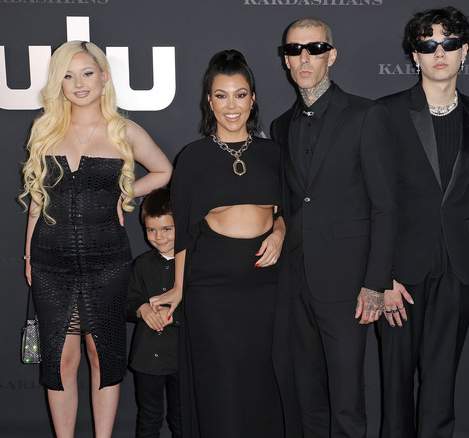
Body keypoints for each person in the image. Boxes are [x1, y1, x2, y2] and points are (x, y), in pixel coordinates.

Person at [19, 40, 172, 438]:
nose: (79, 83)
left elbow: (163, 171)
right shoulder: (46, 129)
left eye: (87, 73)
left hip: (108, 261)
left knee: (102, 354)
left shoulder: (124, 130)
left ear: (104, 77)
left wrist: (126, 194)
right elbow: (38, 200)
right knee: (60, 360)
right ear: (59, 84)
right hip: (51, 262)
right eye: (68, 76)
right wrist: (27, 256)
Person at [149, 50, 286, 437]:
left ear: (253, 98)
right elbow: (186, 234)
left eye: (240, 94)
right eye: (221, 95)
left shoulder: (274, 153)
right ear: (209, 101)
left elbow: (291, 211)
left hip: (267, 284)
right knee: (220, 384)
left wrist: (278, 231)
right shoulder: (192, 158)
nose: (231, 105)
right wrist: (178, 287)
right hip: (212, 287)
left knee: (264, 380)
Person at [270, 17, 396, 438]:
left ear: (331, 55)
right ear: (286, 60)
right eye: (294, 50)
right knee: (307, 397)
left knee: (346, 401)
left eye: (314, 49)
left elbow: (385, 206)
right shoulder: (281, 125)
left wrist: (375, 282)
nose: (304, 58)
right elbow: (292, 203)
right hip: (295, 279)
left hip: (347, 284)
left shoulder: (366, 115)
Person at [376, 7, 469, 437]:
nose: (438, 52)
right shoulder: (386, 113)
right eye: (428, 44)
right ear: (414, 55)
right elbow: (375, 199)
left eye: (448, 43)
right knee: (395, 386)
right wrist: (381, 275)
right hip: (399, 271)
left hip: (458, 268)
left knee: (442, 384)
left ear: (464, 52)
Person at [125, 188, 182, 438]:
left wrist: (173, 315)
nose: (159, 237)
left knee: (182, 419)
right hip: (147, 358)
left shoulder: (195, 265)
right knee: (148, 419)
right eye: (151, 230)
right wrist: (143, 308)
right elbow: (127, 302)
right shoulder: (142, 264)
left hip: (183, 358)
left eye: (167, 229)